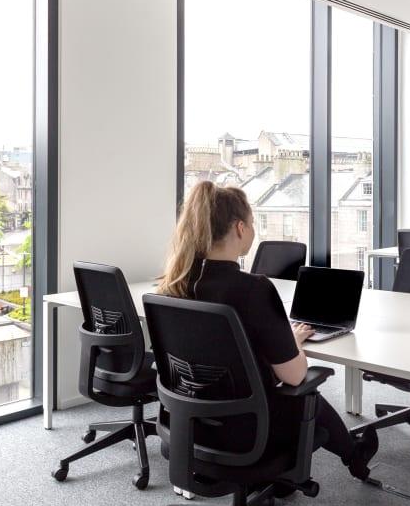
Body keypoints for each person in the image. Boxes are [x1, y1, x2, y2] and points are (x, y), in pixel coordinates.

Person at [157, 180, 378, 480]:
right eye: (251, 222)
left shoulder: (173, 285)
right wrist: (294, 341)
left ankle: (350, 457)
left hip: (188, 423)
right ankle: (354, 456)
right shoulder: (253, 290)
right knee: (306, 394)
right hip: (246, 433)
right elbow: (295, 375)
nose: (252, 229)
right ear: (239, 228)